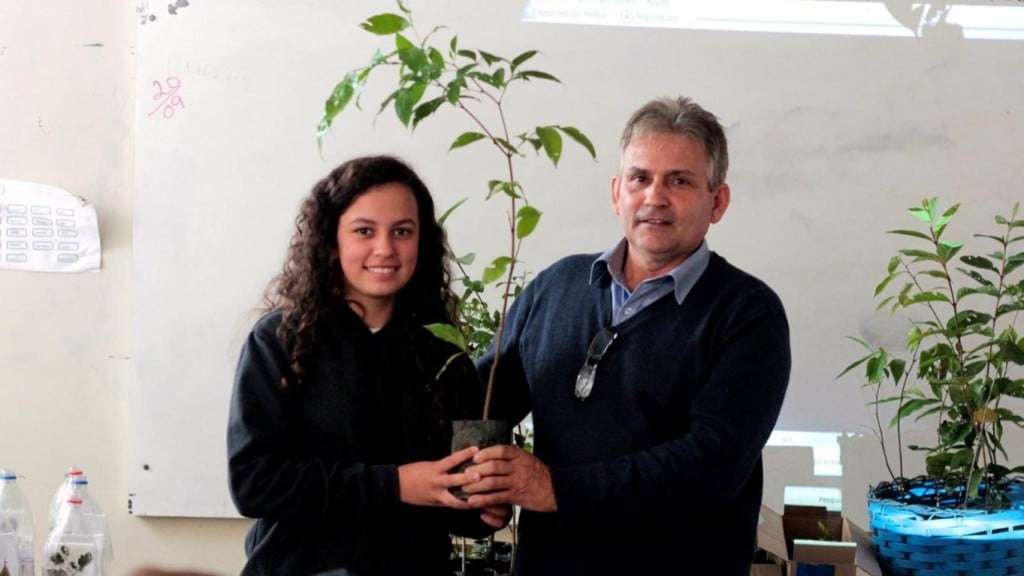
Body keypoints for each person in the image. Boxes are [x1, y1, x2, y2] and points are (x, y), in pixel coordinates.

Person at [463, 97, 791, 575]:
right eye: (640, 178)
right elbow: (483, 398)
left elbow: (710, 467)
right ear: (617, 192)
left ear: (716, 201)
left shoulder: (747, 313)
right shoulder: (555, 287)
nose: (654, 196)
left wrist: (556, 488)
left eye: (679, 180)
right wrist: (473, 496)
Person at [227, 156, 507, 576]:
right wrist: (395, 486)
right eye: (364, 231)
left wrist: (484, 506)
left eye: (402, 232)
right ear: (331, 240)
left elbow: (453, 503)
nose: (385, 249)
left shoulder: (442, 349)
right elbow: (255, 484)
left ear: (422, 241)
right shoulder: (278, 341)